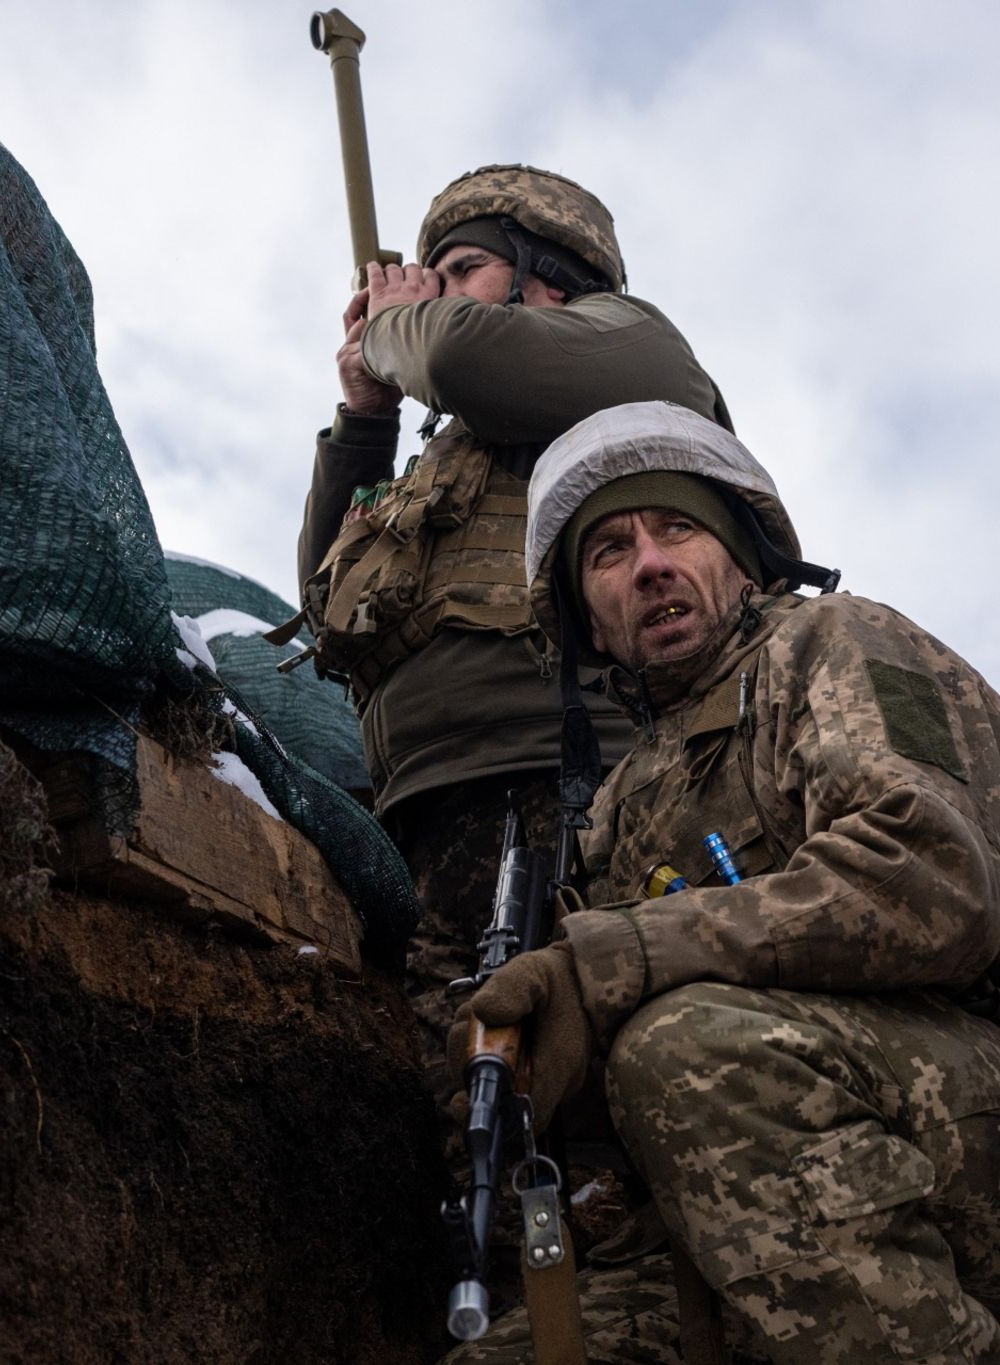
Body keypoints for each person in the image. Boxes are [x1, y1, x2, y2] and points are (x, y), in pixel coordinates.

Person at [445, 401, 1000, 1364]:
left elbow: (933, 880)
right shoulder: (622, 803)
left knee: (687, 1048)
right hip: (748, 1206)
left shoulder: (835, 645)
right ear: (588, 619)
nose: (649, 564)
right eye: (610, 551)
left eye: (678, 527)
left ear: (744, 558)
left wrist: (622, 955)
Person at [291, 166, 728, 1080]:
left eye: (459, 268)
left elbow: (454, 354)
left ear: (549, 279)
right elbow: (328, 608)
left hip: (579, 788)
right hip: (424, 812)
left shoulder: (631, 351)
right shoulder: (448, 458)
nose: (432, 291)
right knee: (456, 1100)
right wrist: (365, 418)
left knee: (586, 1078)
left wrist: (392, 330)